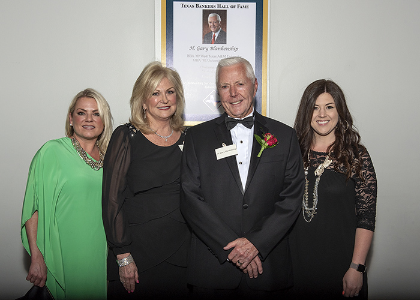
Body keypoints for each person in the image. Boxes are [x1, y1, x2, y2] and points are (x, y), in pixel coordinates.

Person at [180, 56, 304, 299]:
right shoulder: (196, 138)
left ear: (255, 86)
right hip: (213, 267)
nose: (233, 93)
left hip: (267, 268)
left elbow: (291, 198)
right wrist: (233, 248)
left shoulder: (285, 136)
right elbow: (190, 197)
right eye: (225, 87)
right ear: (218, 92)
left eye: (240, 84)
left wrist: (256, 243)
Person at [102, 61, 190, 299]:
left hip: (182, 251)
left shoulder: (190, 138)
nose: (164, 99)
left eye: (170, 92)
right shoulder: (126, 136)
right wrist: (123, 255)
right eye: (155, 93)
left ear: (178, 97)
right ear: (142, 100)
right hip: (136, 255)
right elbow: (112, 200)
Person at [21, 88, 113, 299]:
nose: (89, 119)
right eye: (82, 113)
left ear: (104, 120)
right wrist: (37, 257)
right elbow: (33, 209)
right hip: (62, 250)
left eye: (96, 113)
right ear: (71, 118)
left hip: (99, 251)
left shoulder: (111, 159)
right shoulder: (51, 152)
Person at [289, 79, 377, 299]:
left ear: (340, 111)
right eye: (315, 107)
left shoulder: (357, 156)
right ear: (306, 112)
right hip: (294, 265)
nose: (322, 114)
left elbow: (366, 218)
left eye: (329, 107)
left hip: (341, 267)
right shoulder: (291, 153)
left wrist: (357, 267)